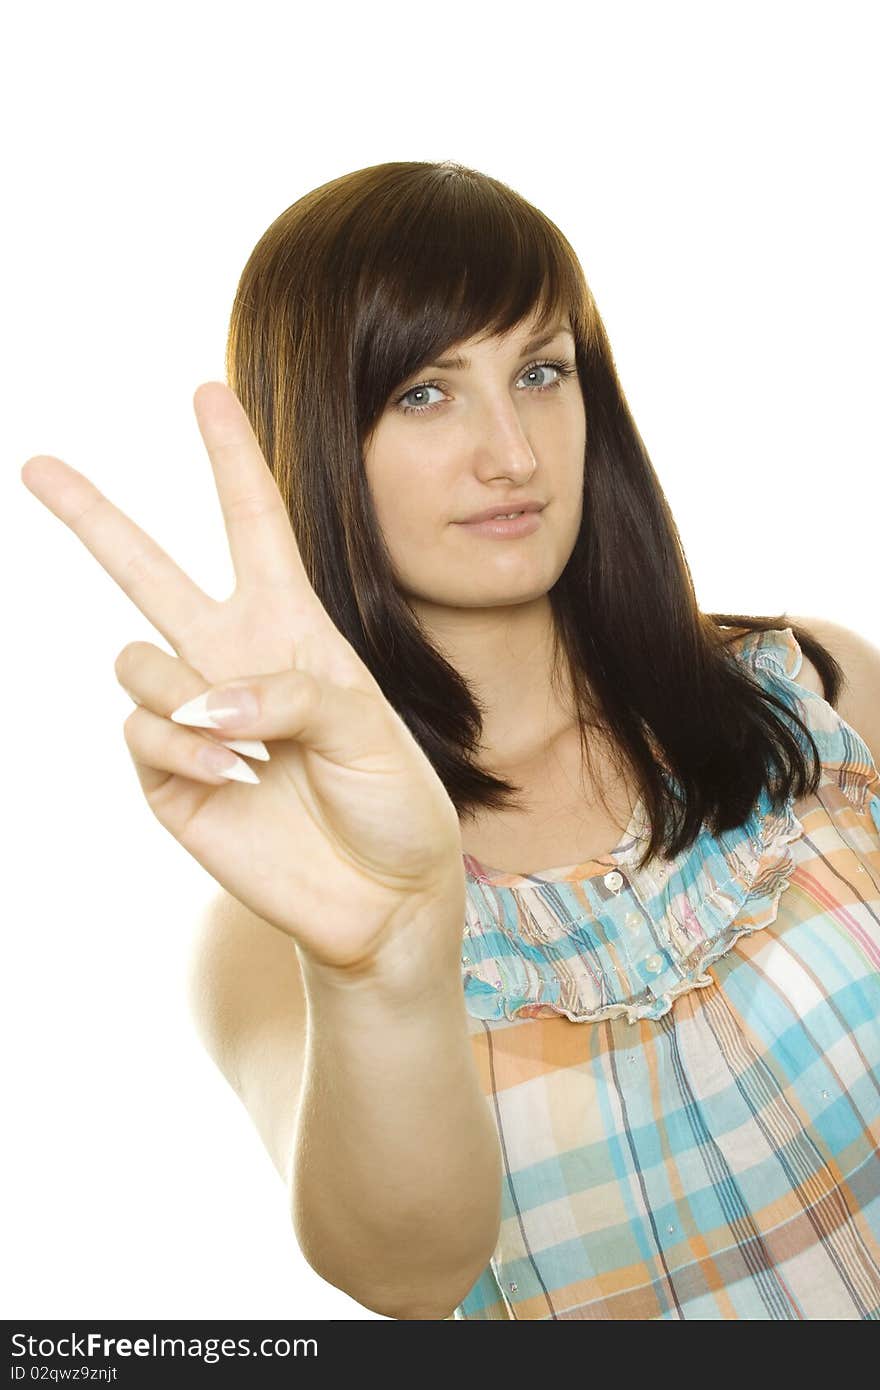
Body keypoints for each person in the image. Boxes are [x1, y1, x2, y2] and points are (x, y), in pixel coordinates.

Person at [20, 160, 880, 1320]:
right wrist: (379, 966)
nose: (513, 453)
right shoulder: (279, 925)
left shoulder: (814, 694)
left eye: (539, 372)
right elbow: (406, 1271)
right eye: (426, 392)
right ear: (321, 440)